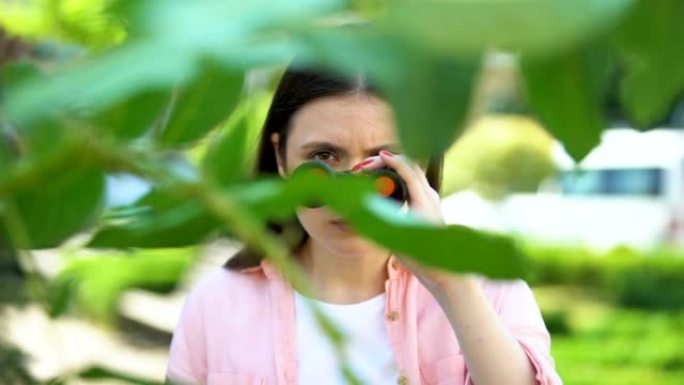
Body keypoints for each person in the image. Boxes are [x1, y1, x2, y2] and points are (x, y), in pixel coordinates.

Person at [165, 66, 563, 385]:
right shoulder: (215, 304)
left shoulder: (489, 286)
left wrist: (450, 283)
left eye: (382, 161)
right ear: (282, 158)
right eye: (323, 156)